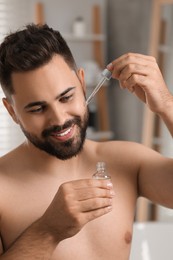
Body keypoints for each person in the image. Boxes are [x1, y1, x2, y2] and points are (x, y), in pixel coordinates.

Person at [0, 23, 173, 260]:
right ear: (11, 111)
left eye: (66, 97)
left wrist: (166, 105)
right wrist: (48, 231)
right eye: (38, 108)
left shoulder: (127, 162)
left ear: (82, 83)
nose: (60, 119)